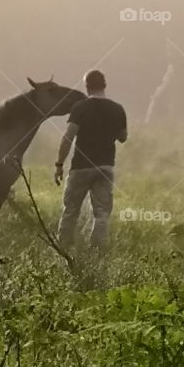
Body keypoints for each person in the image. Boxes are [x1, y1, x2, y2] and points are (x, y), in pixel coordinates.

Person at [54, 69, 128, 250]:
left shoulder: (80, 107)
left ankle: (64, 248)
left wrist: (59, 164)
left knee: (71, 211)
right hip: (105, 167)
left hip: (81, 166)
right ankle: (98, 251)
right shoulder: (118, 109)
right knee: (102, 214)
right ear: (104, 85)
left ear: (87, 87)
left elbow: (68, 138)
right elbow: (123, 137)